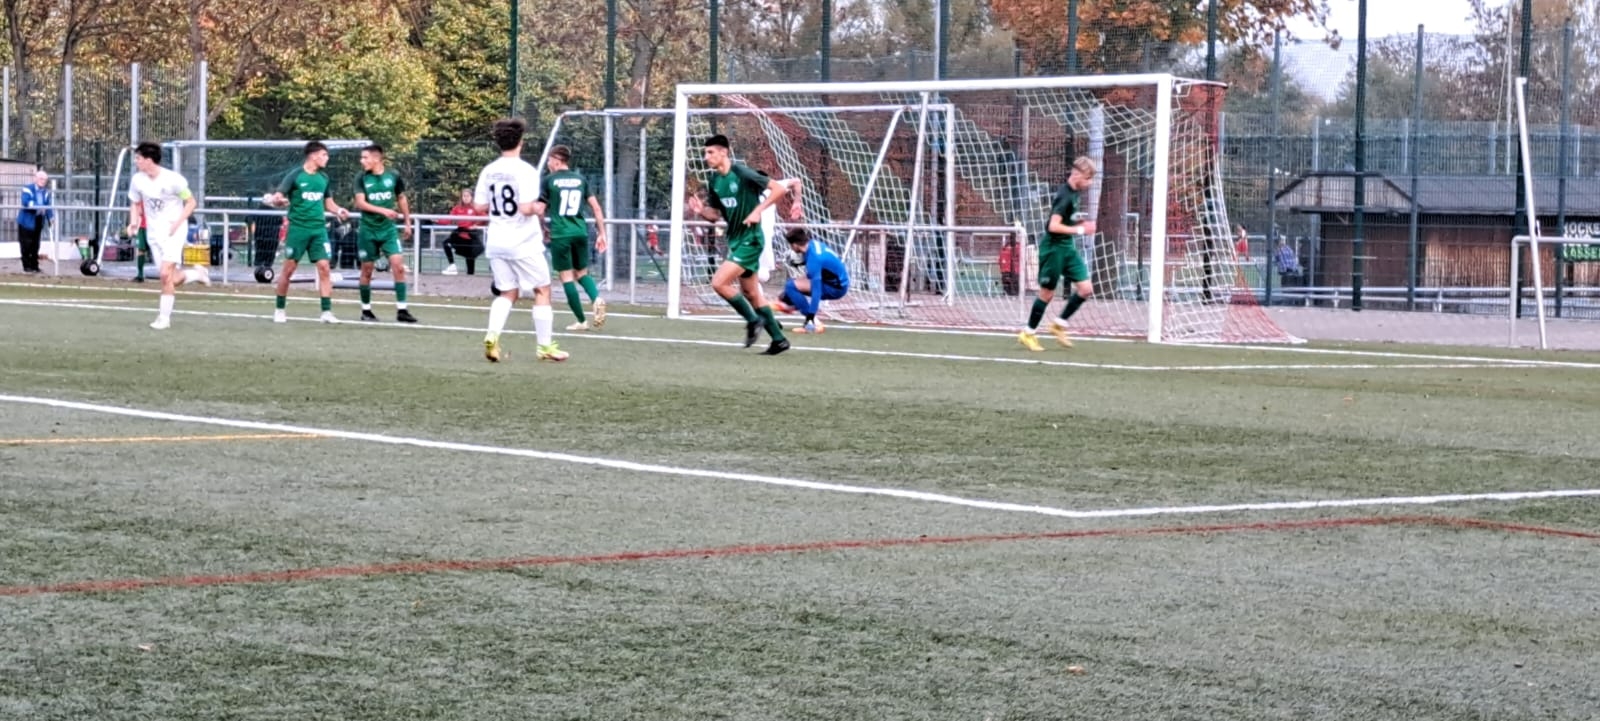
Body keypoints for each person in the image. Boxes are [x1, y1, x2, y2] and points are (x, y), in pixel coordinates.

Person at [684, 133, 800, 356]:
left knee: (719, 283)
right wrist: (700, 211)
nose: (706, 157)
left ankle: (753, 320)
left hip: (751, 239)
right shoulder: (715, 181)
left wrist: (757, 211)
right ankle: (779, 339)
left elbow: (778, 189)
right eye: (705, 153)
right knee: (751, 294)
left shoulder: (741, 173)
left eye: (710, 152)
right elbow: (715, 216)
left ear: (723, 152)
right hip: (736, 241)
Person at [475, 117, 567, 363]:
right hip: (522, 241)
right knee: (542, 289)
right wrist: (539, 207)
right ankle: (545, 346)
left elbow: (479, 206)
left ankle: (492, 335)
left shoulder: (489, 170)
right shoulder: (526, 171)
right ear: (521, 142)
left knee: (507, 292)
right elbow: (526, 208)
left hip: (496, 240)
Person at [125, 142, 208, 329]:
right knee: (172, 278)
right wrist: (133, 222)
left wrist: (178, 223)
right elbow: (135, 204)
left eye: (138, 158)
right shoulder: (138, 180)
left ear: (149, 160)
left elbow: (191, 202)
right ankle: (196, 274)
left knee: (164, 274)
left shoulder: (173, 179)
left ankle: (164, 319)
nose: (136, 161)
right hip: (154, 234)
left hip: (174, 232)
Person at [266, 141, 350, 324]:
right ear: (313, 156)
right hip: (298, 229)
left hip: (319, 230)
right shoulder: (295, 175)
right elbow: (279, 196)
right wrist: (277, 200)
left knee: (325, 268)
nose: (327, 158)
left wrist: (339, 210)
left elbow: (328, 203)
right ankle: (279, 309)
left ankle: (326, 312)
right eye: (324, 155)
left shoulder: (324, 178)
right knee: (288, 270)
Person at [1018, 156, 1097, 352]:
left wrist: (1078, 224)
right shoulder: (1064, 196)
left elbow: (1064, 222)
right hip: (1053, 249)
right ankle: (1028, 333)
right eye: (1088, 178)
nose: (1090, 183)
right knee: (1047, 293)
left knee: (1086, 289)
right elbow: (1053, 226)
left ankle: (1059, 324)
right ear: (1077, 174)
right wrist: (1080, 230)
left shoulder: (1075, 193)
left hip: (1067, 247)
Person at [535, 145, 609, 331]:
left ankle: (582, 321)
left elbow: (540, 210)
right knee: (582, 273)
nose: (548, 163)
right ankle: (596, 299)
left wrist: (543, 228)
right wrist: (602, 233)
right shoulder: (580, 179)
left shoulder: (549, 180)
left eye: (550, 159)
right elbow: (596, 208)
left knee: (566, 277)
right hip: (580, 232)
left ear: (557, 160)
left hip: (561, 233)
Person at [351, 144, 417, 323]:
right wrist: (383, 210)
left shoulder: (393, 175)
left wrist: (407, 222)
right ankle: (366, 311)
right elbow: (360, 203)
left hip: (388, 230)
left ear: (376, 159)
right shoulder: (361, 177)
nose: (362, 161)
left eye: (365, 158)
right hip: (368, 230)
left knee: (398, 267)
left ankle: (402, 310)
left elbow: (401, 197)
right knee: (367, 270)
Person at [773, 226, 849, 334]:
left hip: (836, 288)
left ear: (795, 245)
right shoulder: (813, 245)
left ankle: (814, 323)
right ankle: (790, 304)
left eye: (790, 245)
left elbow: (816, 292)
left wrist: (810, 317)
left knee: (791, 286)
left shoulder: (814, 259)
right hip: (834, 281)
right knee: (790, 288)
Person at [17, 169, 53, 274]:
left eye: (45, 179)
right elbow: (26, 202)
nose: (43, 181)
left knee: (36, 245)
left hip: (38, 220)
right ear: (35, 179)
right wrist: (39, 206)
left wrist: (51, 217)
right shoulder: (27, 189)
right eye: (41, 179)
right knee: (26, 244)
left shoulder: (46, 192)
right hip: (26, 221)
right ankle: (26, 266)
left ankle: (34, 266)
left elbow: (48, 205)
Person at [443, 188, 485, 276]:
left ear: (472, 197)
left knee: (470, 258)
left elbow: (484, 218)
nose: (465, 198)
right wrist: (437, 220)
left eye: (468, 196)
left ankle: (470, 276)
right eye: (464, 196)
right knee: (446, 243)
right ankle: (452, 265)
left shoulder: (475, 207)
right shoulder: (457, 208)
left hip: (471, 237)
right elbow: (449, 219)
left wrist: (476, 224)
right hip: (460, 235)